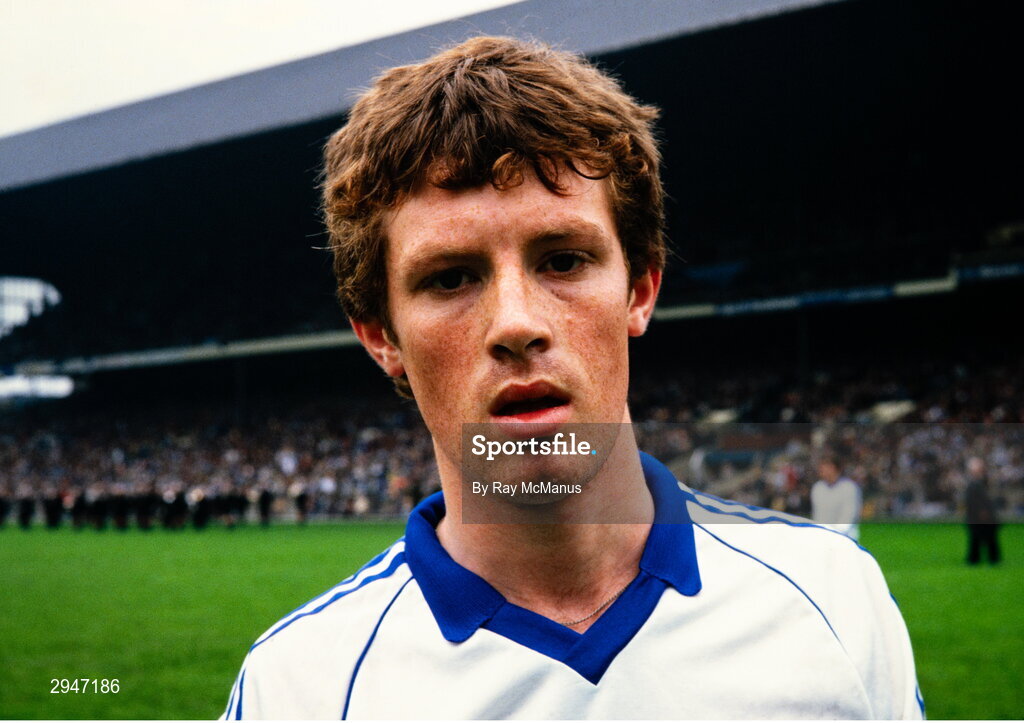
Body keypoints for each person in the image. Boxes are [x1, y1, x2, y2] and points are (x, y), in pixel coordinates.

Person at [223, 36, 923, 719]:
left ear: (640, 290)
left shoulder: (833, 599)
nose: (516, 323)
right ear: (382, 337)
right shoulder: (298, 689)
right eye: (451, 277)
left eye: (562, 260)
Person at [811, 453, 863, 540]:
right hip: (822, 537)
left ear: (834, 468)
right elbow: (818, 515)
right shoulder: (818, 488)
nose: (821, 470)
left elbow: (849, 516)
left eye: (825, 466)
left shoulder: (849, 487)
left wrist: (836, 534)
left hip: (845, 537)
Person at [964, 456, 1001, 565]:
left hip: (981, 517)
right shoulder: (976, 483)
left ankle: (986, 558)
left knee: (987, 538)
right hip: (977, 517)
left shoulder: (979, 483)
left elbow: (982, 500)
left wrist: (983, 512)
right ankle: (978, 558)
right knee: (979, 539)